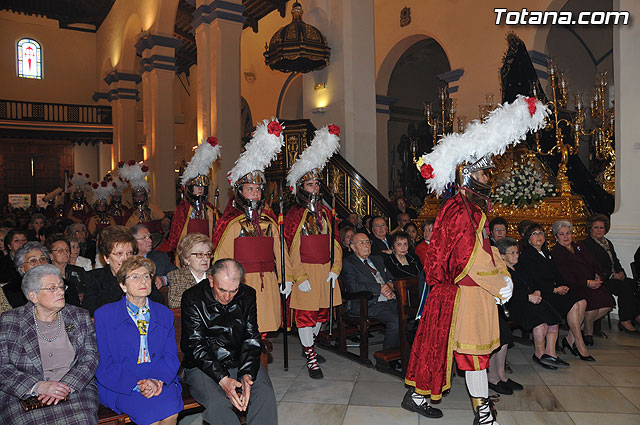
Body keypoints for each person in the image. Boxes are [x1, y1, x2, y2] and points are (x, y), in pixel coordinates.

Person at [403, 95, 546, 423]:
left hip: (474, 291)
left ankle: (417, 396)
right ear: (467, 173)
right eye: (483, 173)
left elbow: (487, 249)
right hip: (464, 293)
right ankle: (482, 415)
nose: (488, 178)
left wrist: (503, 275)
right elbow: (468, 258)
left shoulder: (471, 209)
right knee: (473, 355)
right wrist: (499, 282)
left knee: (450, 351)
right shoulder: (460, 210)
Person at [212, 119, 292, 333]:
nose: (255, 193)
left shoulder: (269, 221)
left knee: (265, 327)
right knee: (245, 329)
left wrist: (287, 277)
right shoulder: (231, 224)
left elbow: (281, 252)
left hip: (268, 283)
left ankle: (259, 362)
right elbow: (221, 258)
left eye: (258, 189)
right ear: (239, 192)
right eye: (250, 189)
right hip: (242, 285)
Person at [181, 259, 277, 425]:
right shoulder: (192, 298)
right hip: (202, 366)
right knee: (218, 404)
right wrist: (223, 378)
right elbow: (195, 346)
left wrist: (247, 373)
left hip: (238, 360)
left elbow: (251, 336)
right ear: (211, 280)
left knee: (265, 394)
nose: (227, 297)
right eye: (222, 290)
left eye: (233, 291)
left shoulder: (247, 295)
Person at [0, 264, 99, 424]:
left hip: (74, 390)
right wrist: (38, 386)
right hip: (25, 394)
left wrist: (65, 386)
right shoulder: (11, 320)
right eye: (52, 288)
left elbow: (90, 358)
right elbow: (3, 367)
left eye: (61, 286)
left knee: (81, 420)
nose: (61, 291)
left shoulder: (78, 316)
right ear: (33, 296)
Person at [284, 124, 343, 379]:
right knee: (306, 315)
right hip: (305, 272)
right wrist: (299, 277)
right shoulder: (294, 214)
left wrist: (335, 269)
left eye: (317, 184)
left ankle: (311, 345)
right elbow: (290, 250)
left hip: (325, 271)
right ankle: (310, 354)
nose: (315, 188)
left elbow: (336, 243)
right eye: (310, 185)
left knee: (321, 314)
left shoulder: (327, 213)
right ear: (301, 188)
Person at [95, 257, 183, 425]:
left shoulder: (164, 313)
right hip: (121, 382)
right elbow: (104, 363)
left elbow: (171, 357)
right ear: (122, 285)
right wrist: (137, 385)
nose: (143, 281)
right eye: (134, 277)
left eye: (146, 276)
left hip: (160, 378)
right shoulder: (105, 315)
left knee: (171, 413)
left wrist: (158, 381)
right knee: (152, 419)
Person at [517, 223, 593, 361]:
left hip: (554, 290)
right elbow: (533, 281)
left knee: (582, 301)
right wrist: (554, 289)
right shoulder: (527, 257)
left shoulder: (546, 253)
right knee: (574, 305)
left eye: (541, 233)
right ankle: (579, 343)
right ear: (528, 239)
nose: (539, 236)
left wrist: (563, 286)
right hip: (541, 293)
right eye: (534, 234)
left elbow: (557, 274)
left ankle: (570, 339)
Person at [498, 238, 563, 370]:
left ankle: (551, 354)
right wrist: (528, 297)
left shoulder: (519, 267)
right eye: (512, 253)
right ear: (502, 256)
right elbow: (506, 295)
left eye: (517, 252)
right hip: (514, 305)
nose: (516, 256)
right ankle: (539, 354)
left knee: (554, 318)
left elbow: (533, 282)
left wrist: (537, 291)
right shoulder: (501, 272)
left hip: (531, 300)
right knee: (540, 323)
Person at [551, 220, 615, 344]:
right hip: (576, 285)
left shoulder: (579, 247)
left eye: (568, 233)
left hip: (592, 282)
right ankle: (587, 333)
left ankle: (579, 329)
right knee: (592, 303)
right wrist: (586, 282)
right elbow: (565, 275)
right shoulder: (556, 252)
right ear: (556, 237)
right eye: (562, 234)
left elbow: (594, 263)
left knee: (608, 302)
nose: (566, 237)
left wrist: (597, 277)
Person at [82, 226, 163, 315]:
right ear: (106, 258)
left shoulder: (142, 276)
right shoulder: (94, 278)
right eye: (119, 254)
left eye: (129, 253)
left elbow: (159, 304)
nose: (125, 259)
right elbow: (92, 310)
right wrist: (120, 279)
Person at [580, 214, 640, 334]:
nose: (599, 230)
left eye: (601, 227)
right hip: (600, 279)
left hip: (613, 276)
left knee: (634, 284)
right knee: (623, 287)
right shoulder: (586, 244)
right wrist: (612, 275)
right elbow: (594, 266)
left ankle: (636, 315)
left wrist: (621, 272)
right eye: (596, 227)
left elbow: (615, 260)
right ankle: (624, 321)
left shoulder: (607, 242)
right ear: (590, 228)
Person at [341, 233, 400, 351]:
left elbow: (391, 278)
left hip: (389, 299)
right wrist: (380, 288)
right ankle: (387, 357)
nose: (366, 245)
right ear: (352, 247)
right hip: (367, 304)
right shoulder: (348, 263)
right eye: (361, 243)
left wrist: (389, 286)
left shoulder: (377, 259)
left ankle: (404, 351)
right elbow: (353, 286)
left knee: (412, 316)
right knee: (396, 320)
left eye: (368, 242)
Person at [167, 137, 221, 252]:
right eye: (197, 186)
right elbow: (176, 237)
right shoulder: (183, 210)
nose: (200, 189)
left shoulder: (209, 210)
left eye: (203, 187)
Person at [167, 233, 213, 309]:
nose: (206, 258)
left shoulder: (215, 274)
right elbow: (174, 302)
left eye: (208, 254)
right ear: (186, 259)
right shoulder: (176, 276)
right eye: (200, 254)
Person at [119, 161, 165, 231]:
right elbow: (126, 229)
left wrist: (148, 206)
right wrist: (135, 217)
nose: (139, 198)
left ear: (145, 196)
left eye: (141, 195)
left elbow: (161, 216)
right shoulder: (129, 212)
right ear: (134, 197)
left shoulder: (151, 208)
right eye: (137, 196)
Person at [132, 224, 177, 290]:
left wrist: (163, 280)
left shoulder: (160, 257)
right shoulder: (124, 259)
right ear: (133, 241)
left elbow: (177, 274)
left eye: (149, 237)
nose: (150, 241)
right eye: (144, 238)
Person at [45, 234, 85, 305]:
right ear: (50, 255)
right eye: (60, 251)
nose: (65, 253)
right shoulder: (46, 274)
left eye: (67, 250)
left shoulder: (79, 271)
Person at [0, 229, 27, 302]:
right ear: (9, 246)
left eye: (24, 240)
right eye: (16, 241)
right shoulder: (2, 263)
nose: (21, 243)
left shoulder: (33, 261)